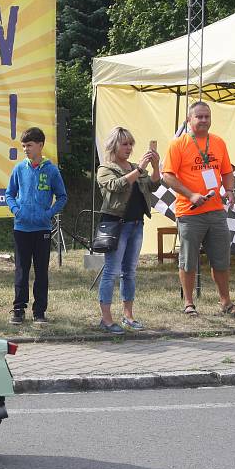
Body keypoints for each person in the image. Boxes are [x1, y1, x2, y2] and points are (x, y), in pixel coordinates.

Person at [161, 101, 235, 317]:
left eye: (207, 116)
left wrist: (229, 190)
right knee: (188, 260)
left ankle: (226, 303)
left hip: (216, 210)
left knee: (221, 258)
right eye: (199, 117)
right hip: (189, 212)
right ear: (189, 120)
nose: (203, 120)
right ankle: (189, 304)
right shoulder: (178, 144)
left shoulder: (218, 142)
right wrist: (191, 195)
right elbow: (167, 176)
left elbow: (226, 170)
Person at [96, 127, 161, 334]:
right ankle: (106, 320)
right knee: (111, 272)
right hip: (117, 225)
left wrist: (156, 166)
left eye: (131, 144)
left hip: (136, 224)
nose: (129, 148)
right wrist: (140, 169)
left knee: (129, 272)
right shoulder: (106, 168)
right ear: (114, 145)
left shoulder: (135, 167)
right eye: (124, 144)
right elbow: (117, 186)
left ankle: (128, 316)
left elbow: (153, 186)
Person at [4, 127, 67, 326]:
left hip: (42, 230)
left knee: (41, 271)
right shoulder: (19, 169)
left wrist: (48, 214)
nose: (25, 149)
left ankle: (39, 311)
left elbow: (62, 197)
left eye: (29, 145)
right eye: (23, 146)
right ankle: (18, 309)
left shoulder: (51, 170)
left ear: (40, 145)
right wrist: (16, 210)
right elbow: (9, 194)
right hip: (21, 228)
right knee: (21, 269)